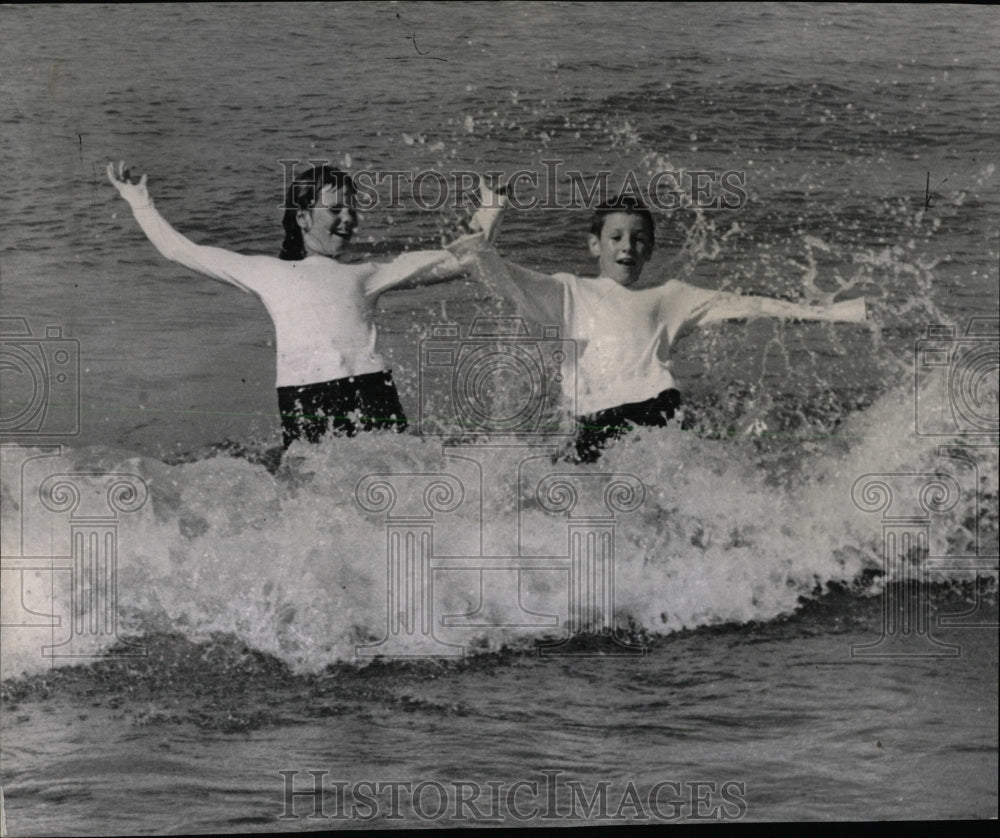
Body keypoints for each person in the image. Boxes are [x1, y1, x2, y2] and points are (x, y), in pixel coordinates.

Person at [107, 161, 505, 449]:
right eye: (335, 209)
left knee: (394, 482)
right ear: (302, 218)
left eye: (352, 209)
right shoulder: (264, 272)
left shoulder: (367, 273)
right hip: (306, 398)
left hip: (370, 390)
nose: (348, 218)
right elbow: (179, 250)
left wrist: (492, 208)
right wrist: (139, 201)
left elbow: (463, 259)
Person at [473, 195, 868, 462]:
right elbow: (497, 275)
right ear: (595, 245)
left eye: (638, 239)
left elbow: (748, 305)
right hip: (594, 418)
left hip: (655, 407)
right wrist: (489, 222)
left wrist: (831, 315)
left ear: (650, 249)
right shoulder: (567, 290)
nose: (627, 246)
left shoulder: (670, 296)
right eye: (616, 237)